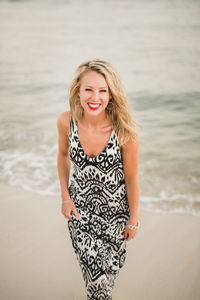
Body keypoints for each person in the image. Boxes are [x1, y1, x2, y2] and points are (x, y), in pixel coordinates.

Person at [57, 59, 140, 300]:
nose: (96, 97)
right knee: (97, 287)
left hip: (116, 217)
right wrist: (65, 198)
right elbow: (63, 156)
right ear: (78, 91)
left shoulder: (125, 131)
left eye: (103, 90)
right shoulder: (66, 121)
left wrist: (133, 220)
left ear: (112, 94)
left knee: (107, 280)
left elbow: (132, 179)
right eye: (89, 89)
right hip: (80, 213)